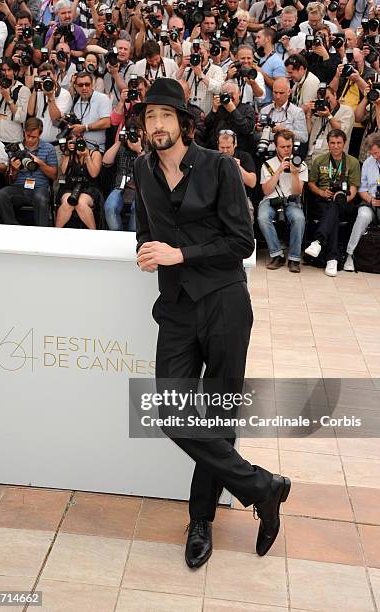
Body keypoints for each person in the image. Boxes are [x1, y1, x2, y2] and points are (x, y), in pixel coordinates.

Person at [134, 77, 291, 569]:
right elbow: (146, 230)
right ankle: (263, 488)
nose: (157, 125)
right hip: (177, 307)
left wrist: (179, 253)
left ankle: (201, 518)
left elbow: (242, 242)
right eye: (149, 117)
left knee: (219, 415)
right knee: (171, 409)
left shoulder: (221, 166)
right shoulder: (141, 169)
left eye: (166, 116)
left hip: (224, 303)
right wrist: (147, 253)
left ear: (183, 122)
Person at [305, 129, 361, 277]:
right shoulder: (319, 160)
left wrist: (342, 198)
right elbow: (311, 184)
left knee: (335, 206)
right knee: (332, 214)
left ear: (344, 143)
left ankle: (318, 241)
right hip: (323, 201)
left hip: (345, 202)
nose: (335, 146)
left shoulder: (353, 162)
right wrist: (322, 193)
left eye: (339, 143)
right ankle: (332, 259)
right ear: (328, 144)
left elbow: (354, 189)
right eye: (332, 143)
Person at [258, 130, 307, 272]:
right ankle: (277, 255)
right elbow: (266, 191)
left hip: (291, 200)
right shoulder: (267, 164)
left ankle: (294, 258)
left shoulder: (300, 165)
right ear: (275, 146)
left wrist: (295, 173)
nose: (286, 150)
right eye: (283, 147)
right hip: (271, 200)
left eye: (289, 146)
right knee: (262, 217)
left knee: (299, 218)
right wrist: (278, 171)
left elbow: (298, 192)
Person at [0, 117, 58, 226]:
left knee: (41, 198)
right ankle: (14, 227)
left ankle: (42, 233)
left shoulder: (49, 148)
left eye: (33, 137)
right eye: (27, 136)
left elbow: (54, 176)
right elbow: (10, 180)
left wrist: (41, 164)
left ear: (40, 134)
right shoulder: (15, 148)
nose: (29, 140)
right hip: (19, 187)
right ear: (24, 132)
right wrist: (14, 170)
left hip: (39, 188)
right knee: (0, 195)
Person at [344, 133, 380, 272]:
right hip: (371, 202)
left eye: (376, 153)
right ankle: (350, 254)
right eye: (372, 154)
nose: (375, 157)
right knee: (362, 216)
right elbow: (362, 190)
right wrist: (371, 200)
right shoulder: (368, 162)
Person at [55, 135, 102, 229]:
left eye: (78, 141)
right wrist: (68, 153)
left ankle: (93, 233)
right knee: (68, 203)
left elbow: (94, 174)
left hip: (89, 187)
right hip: (70, 187)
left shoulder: (95, 154)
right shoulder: (70, 155)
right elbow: (65, 171)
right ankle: (57, 233)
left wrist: (87, 156)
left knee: (81, 203)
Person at [103, 123, 143, 230]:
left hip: (142, 190)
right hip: (120, 188)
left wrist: (139, 151)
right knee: (110, 207)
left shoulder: (149, 148)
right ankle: (118, 236)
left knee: (138, 208)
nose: (134, 134)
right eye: (131, 132)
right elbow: (106, 163)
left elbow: (150, 169)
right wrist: (118, 142)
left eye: (138, 131)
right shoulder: (122, 148)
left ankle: (132, 238)